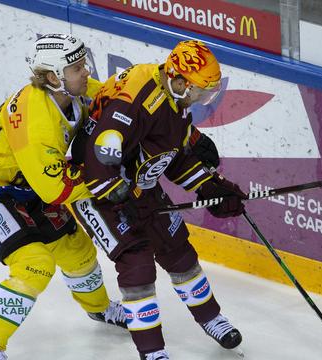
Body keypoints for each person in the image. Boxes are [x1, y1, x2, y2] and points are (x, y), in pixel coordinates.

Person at [0, 34, 127, 360]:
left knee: (76, 249)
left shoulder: (69, 89)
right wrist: (110, 182)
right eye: (76, 68)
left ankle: (99, 309)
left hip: (25, 180)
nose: (85, 72)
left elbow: (120, 96)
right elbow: (55, 190)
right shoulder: (37, 124)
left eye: (82, 64)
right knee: (35, 265)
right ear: (52, 77)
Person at [68, 40, 246, 360]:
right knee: (135, 262)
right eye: (200, 90)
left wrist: (209, 187)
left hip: (135, 184)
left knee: (176, 247)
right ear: (179, 80)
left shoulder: (174, 99)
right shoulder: (135, 98)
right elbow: (98, 155)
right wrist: (117, 194)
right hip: (94, 189)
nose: (204, 98)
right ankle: (153, 352)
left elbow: (169, 158)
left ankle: (211, 318)